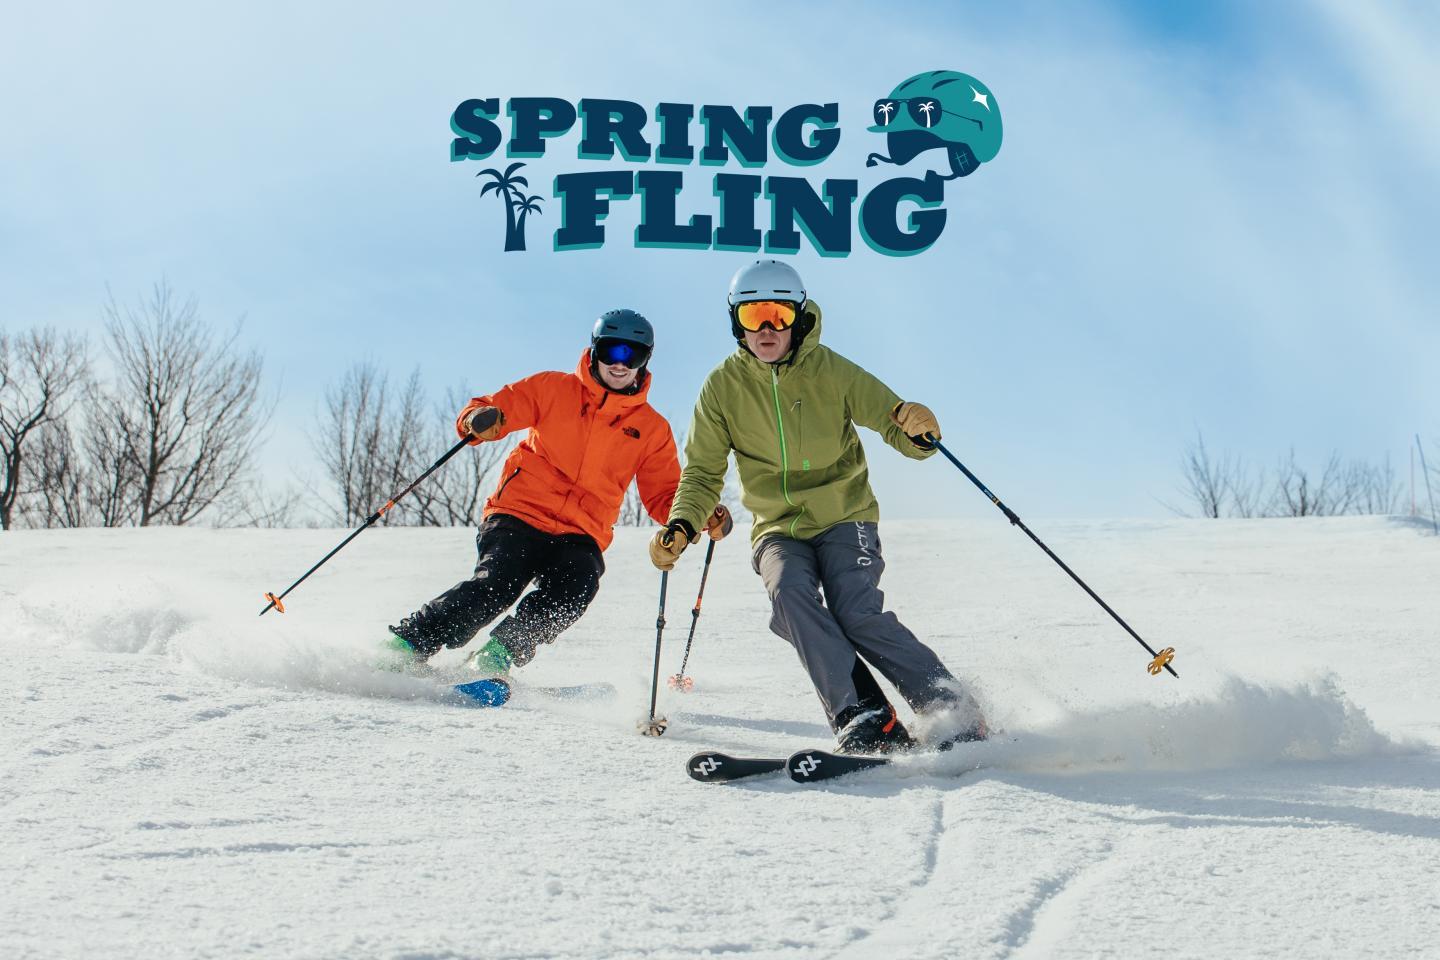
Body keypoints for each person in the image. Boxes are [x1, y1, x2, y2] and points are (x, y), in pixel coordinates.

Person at [649, 261, 985, 754]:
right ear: (735, 321)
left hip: (845, 514)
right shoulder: (721, 388)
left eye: (778, 316)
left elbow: (895, 423)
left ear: (799, 318)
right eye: (753, 315)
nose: (765, 329)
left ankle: (953, 710)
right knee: (788, 595)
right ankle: (865, 714)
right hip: (776, 527)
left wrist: (920, 430)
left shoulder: (832, 371)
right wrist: (683, 523)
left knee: (857, 613)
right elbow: (702, 473)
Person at [386, 309, 727, 676]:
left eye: (632, 355)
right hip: (520, 514)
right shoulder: (553, 389)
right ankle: (408, 643)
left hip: (582, 533)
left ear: (646, 360)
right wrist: (480, 419)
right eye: (611, 351)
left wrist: (698, 513)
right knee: (498, 583)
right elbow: (492, 407)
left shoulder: (650, 429)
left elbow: (664, 494)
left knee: (577, 586)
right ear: (595, 350)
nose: (619, 363)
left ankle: (497, 656)